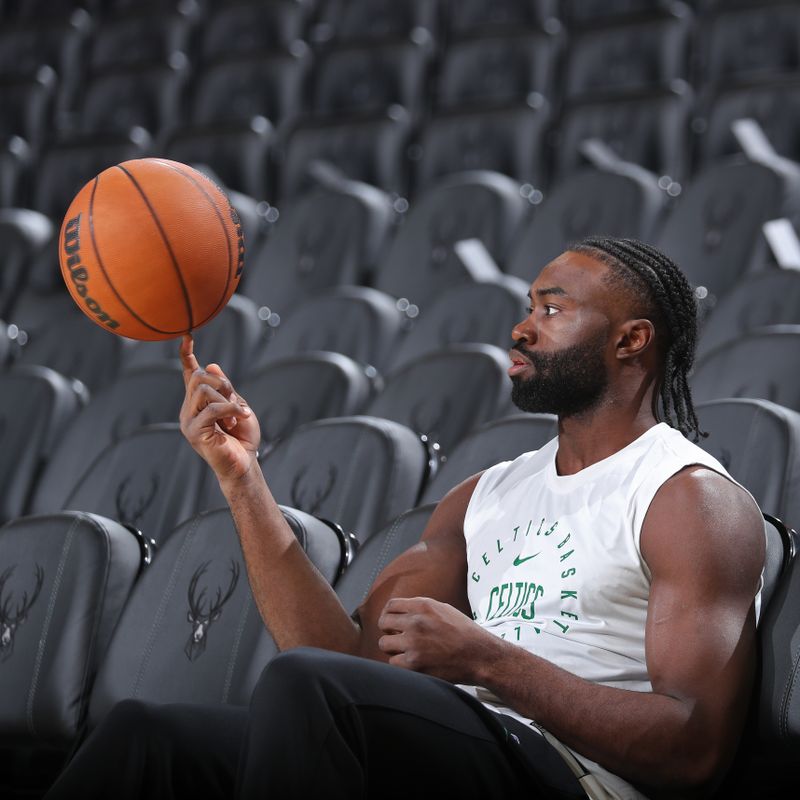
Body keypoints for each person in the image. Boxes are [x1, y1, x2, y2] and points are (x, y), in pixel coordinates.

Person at [45, 237, 765, 800]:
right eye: (527, 307)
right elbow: (343, 663)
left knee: (313, 696)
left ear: (630, 341)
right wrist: (243, 480)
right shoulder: (486, 493)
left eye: (551, 309)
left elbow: (693, 750)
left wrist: (489, 662)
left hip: (576, 776)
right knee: (145, 737)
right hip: (459, 746)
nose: (520, 329)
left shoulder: (685, 497)